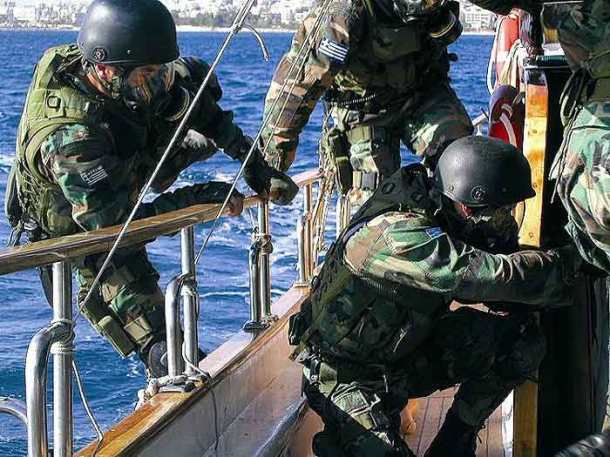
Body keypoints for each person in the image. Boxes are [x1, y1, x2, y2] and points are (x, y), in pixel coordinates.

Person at [4, 0, 298, 377]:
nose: (157, 81)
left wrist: (255, 166)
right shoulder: (72, 142)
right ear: (106, 69)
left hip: (125, 157)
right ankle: (165, 360)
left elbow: (202, 109)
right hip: (83, 218)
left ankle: (180, 149)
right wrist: (194, 199)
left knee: (196, 80)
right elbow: (116, 227)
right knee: (157, 332)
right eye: (148, 73)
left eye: (158, 70)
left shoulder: (127, 73)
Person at [288, 136, 582, 457]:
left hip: (401, 356)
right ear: (468, 205)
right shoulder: (399, 235)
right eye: (502, 210)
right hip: (345, 376)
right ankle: (340, 443)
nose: (508, 219)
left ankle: (454, 444)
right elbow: (488, 276)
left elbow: (497, 281)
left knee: (520, 341)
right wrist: (577, 261)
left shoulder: (443, 212)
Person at [260, 0, 474, 210]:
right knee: (376, 205)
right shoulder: (344, 12)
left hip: (423, 94)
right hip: (364, 112)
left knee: (469, 168)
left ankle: (463, 223)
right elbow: (298, 86)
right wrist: (271, 164)